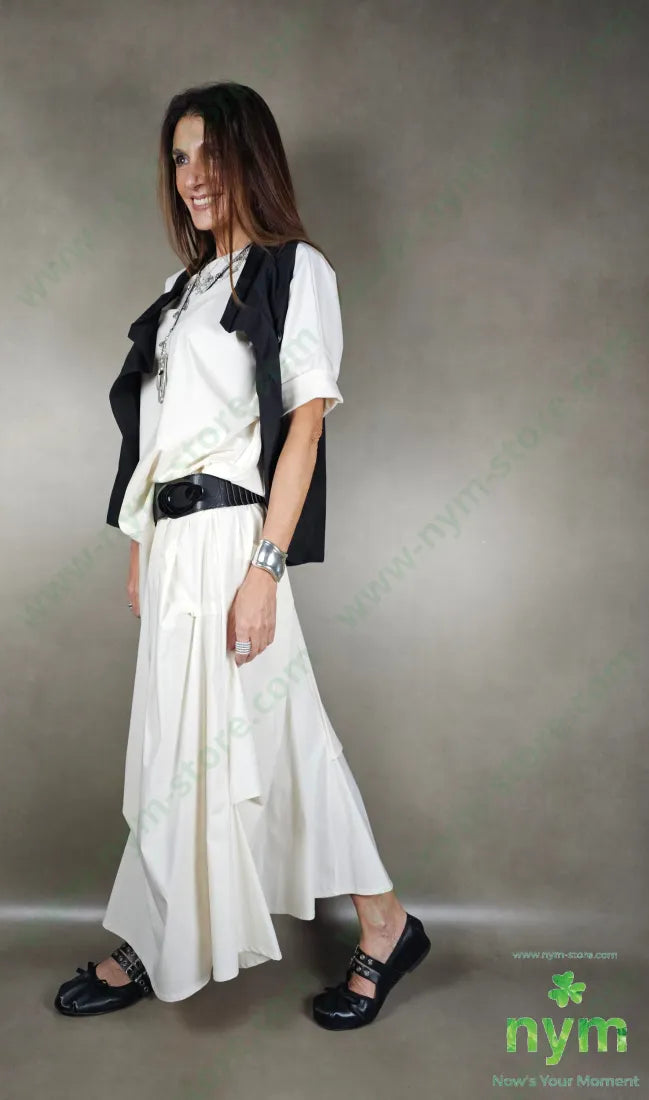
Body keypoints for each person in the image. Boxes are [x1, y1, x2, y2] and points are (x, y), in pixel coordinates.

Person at [54, 81, 430, 1031]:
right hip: (174, 544)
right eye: (179, 158)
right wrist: (141, 544)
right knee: (172, 745)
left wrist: (264, 568)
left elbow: (303, 428)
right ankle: (162, 929)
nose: (192, 177)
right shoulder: (180, 290)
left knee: (282, 730)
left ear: (250, 160)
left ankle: (384, 924)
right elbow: (156, 439)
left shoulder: (294, 271)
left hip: (234, 542)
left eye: (210, 156)